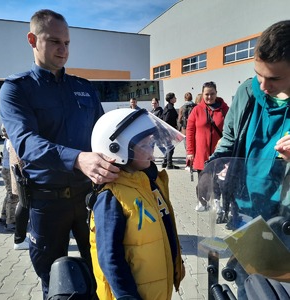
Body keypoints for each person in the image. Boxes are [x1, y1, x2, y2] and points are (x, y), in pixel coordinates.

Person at [0, 9, 120, 299]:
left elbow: (103, 137)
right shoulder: (16, 90)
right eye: (54, 41)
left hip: (89, 199)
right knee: (55, 282)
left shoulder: (84, 88)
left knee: (101, 273)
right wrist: (78, 158)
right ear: (32, 39)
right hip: (45, 204)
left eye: (66, 43)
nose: (63, 50)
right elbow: (26, 143)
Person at [209, 20, 290, 300]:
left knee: (279, 291)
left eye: (275, 79)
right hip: (247, 214)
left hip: (286, 222)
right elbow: (229, 140)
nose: (263, 86)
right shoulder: (247, 92)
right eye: (258, 75)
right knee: (249, 287)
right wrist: (215, 164)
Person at [90, 108, 185, 300]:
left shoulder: (150, 182)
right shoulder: (111, 196)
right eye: (146, 144)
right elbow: (109, 257)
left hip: (156, 289)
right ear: (117, 149)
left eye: (152, 143)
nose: (153, 150)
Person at [186, 81, 229, 211]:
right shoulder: (197, 110)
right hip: (201, 153)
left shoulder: (224, 109)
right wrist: (190, 151)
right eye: (206, 94)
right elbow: (190, 131)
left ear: (216, 93)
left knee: (219, 181)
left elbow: (231, 129)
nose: (209, 97)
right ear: (202, 94)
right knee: (203, 181)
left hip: (220, 153)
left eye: (212, 94)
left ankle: (217, 202)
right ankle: (203, 202)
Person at [0, 125, 18, 231]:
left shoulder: (8, 139)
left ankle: (4, 216)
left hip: (6, 168)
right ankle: (10, 222)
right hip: (9, 170)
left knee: (9, 193)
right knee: (13, 196)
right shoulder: (11, 140)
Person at [162, 92, 180, 169]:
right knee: (170, 147)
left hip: (167, 131)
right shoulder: (170, 108)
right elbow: (166, 120)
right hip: (169, 131)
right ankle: (169, 164)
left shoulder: (168, 107)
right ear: (171, 99)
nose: (175, 98)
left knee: (170, 147)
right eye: (174, 97)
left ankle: (165, 162)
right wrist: (172, 129)